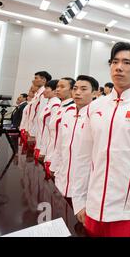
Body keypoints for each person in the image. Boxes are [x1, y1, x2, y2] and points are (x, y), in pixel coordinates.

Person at [72, 42, 130, 237]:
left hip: (128, 212)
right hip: (92, 206)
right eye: (114, 62)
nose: (118, 67)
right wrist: (79, 201)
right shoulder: (95, 107)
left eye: (126, 62)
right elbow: (82, 157)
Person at [54, 75, 99, 206]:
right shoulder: (67, 114)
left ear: (95, 93)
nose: (78, 92)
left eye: (84, 89)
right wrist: (55, 170)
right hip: (61, 181)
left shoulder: (97, 117)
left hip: (84, 186)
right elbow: (59, 146)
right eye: (75, 88)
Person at [46, 77, 75, 176]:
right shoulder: (61, 106)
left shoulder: (72, 109)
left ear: (72, 90)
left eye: (62, 87)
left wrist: (55, 163)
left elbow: (65, 141)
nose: (57, 89)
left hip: (58, 160)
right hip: (50, 153)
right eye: (57, 86)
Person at [36, 80, 60, 162]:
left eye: (47, 88)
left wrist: (44, 150)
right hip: (41, 143)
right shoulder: (49, 103)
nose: (44, 91)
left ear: (54, 90)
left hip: (47, 147)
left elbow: (52, 131)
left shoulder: (56, 104)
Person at [28, 71, 52, 147]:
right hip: (33, 128)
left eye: (36, 78)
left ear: (44, 80)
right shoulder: (38, 93)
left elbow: (40, 115)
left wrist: (33, 132)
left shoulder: (43, 94)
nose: (34, 80)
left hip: (38, 131)